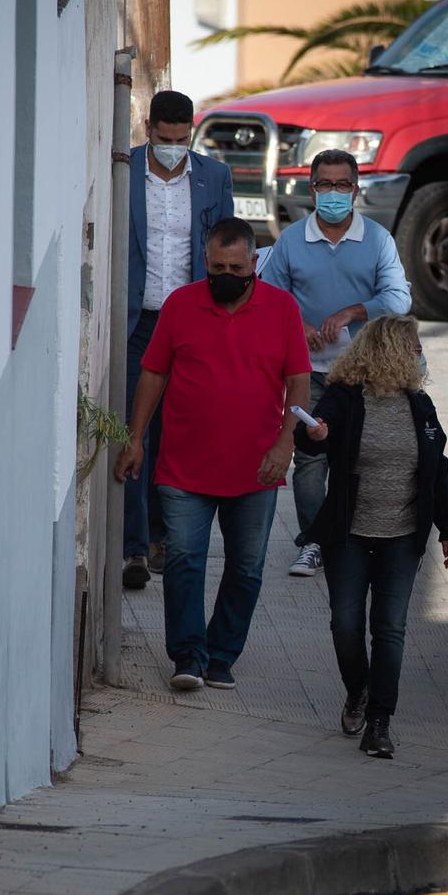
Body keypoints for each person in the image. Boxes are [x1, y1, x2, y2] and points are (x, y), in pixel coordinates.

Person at [115, 218, 310, 691]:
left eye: (236, 267)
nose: (226, 274)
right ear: (204, 262)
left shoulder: (282, 309)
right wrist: (136, 436)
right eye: (217, 266)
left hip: (256, 467)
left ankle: (221, 654)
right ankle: (187, 655)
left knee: (246, 566)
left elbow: (298, 381)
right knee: (184, 560)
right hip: (184, 466)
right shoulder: (180, 305)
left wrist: (286, 443)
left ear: (254, 264)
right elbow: (153, 374)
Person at [294, 316, 448, 759]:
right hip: (349, 534)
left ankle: (381, 720)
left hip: (402, 538)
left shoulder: (420, 406)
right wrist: (313, 434)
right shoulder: (345, 399)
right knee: (345, 624)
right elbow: (313, 436)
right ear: (390, 350)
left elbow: (437, 469)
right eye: (413, 346)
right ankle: (358, 691)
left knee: (390, 629)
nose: (419, 354)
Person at [260, 148, 413, 580]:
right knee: (310, 460)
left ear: (355, 189)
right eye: (324, 185)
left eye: (341, 185)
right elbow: (269, 298)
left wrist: (353, 311)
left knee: (362, 455)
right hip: (307, 372)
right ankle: (314, 541)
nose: (333, 193)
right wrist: (300, 323)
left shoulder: (378, 239)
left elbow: (400, 298)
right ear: (311, 189)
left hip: (364, 373)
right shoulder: (291, 240)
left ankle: (357, 537)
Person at [123, 89, 233, 591]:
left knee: (176, 432)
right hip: (137, 321)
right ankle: (133, 547)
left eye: (181, 140)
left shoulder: (214, 176)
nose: (173, 148)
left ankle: (163, 535)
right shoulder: (123, 172)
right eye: (164, 139)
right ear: (149, 129)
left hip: (188, 323)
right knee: (133, 429)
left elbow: (226, 246)